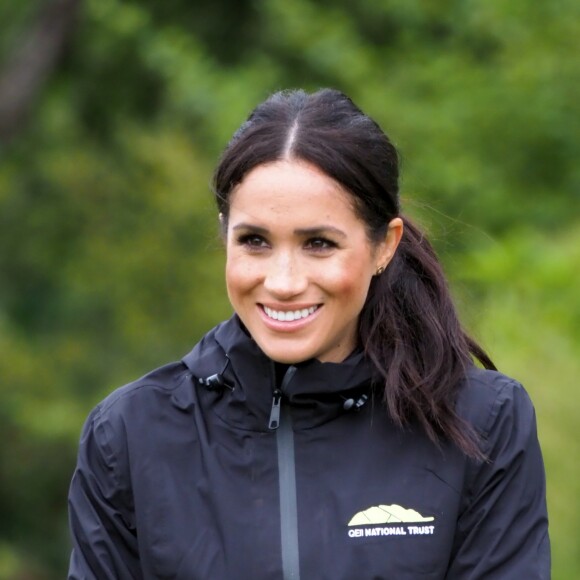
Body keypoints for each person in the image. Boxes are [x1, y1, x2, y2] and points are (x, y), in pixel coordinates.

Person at [67, 88, 550, 579]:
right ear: (225, 235)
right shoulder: (128, 434)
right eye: (254, 241)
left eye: (319, 243)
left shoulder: (485, 422)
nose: (283, 282)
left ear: (385, 245)